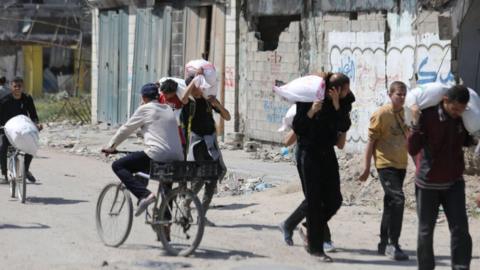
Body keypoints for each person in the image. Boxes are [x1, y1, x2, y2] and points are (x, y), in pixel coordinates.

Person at [408, 85, 474, 270]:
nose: (457, 113)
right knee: (426, 231)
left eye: (461, 110)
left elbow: (467, 140)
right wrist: (415, 123)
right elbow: (412, 149)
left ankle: (461, 267)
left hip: (454, 182)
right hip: (428, 183)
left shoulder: (462, 119)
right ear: (445, 100)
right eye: (454, 109)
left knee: (460, 229)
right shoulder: (427, 116)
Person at [289, 72, 353, 262]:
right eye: (346, 88)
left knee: (335, 199)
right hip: (309, 154)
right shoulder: (309, 98)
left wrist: (336, 106)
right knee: (314, 201)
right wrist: (311, 112)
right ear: (335, 89)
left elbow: (344, 125)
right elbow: (298, 127)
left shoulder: (343, 102)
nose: (349, 92)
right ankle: (316, 248)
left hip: (327, 153)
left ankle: (310, 226)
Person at [102, 83, 183, 217]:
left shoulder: (145, 109)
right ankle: (165, 228)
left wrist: (111, 146)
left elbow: (126, 129)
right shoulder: (168, 108)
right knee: (166, 187)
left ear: (144, 97)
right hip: (177, 156)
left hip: (157, 154)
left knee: (118, 165)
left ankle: (145, 195)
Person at [358, 81, 409, 261]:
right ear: (390, 95)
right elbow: (371, 141)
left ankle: (383, 243)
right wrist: (366, 167)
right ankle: (393, 244)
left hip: (401, 164)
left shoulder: (407, 114)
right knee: (398, 199)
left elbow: (410, 139)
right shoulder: (381, 114)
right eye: (398, 94)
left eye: (404, 94)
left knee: (390, 204)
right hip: (385, 164)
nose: (402, 98)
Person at [180, 72, 231, 226]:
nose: (200, 88)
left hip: (211, 144)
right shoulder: (189, 102)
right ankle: (186, 202)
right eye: (197, 85)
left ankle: (202, 214)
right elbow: (183, 98)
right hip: (198, 144)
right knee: (203, 175)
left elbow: (227, 117)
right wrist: (193, 81)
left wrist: (218, 105)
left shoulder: (209, 100)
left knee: (213, 178)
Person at [0, 77, 42, 184]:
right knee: (2, 147)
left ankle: (26, 169)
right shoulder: (4, 101)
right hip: (7, 130)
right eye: (15, 86)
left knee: (32, 144)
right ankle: (4, 172)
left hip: (23, 130)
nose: (17, 88)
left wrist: (37, 124)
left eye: (20, 86)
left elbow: (33, 115)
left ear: (23, 87)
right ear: (11, 87)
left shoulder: (27, 99)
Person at [157, 79, 186, 153]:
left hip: (176, 126)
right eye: (163, 93)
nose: (165, 96)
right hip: (162, 126)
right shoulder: (161, 96)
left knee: (180, 144)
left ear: (174, 92)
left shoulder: (179, 98)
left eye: (167, 94)